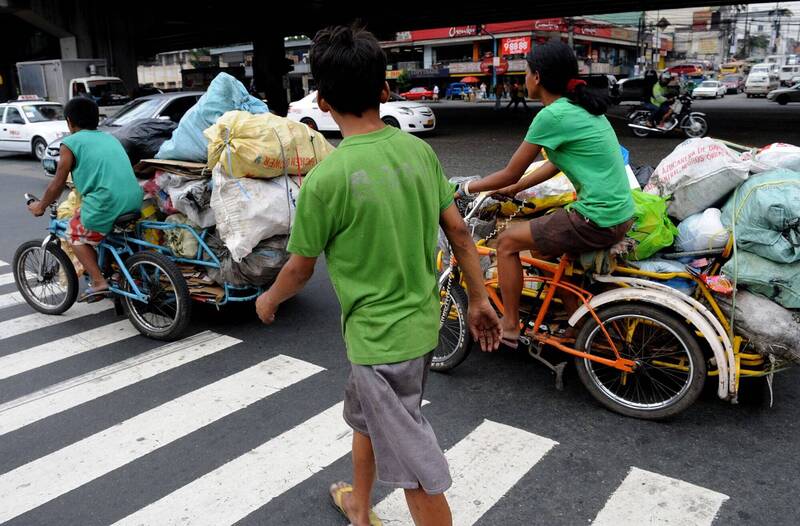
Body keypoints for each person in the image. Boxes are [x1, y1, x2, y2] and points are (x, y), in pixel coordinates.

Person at [255, 25, 502, 526]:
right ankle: (360, 509)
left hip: (379, 343)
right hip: (420, 328)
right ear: (385, 91)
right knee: (367, 422)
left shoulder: (325, 179)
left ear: (321, 102)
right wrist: (478, 298)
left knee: (415, 472)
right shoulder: (419, 153)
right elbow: (458, 234)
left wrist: (268, 300)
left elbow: (300, 270)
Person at [454, 40, 634, 349]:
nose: (522, 79)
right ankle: (577, 321)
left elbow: (511, 170)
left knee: (507, 243)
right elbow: (554, 164)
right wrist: (514, 189)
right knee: (542, 251)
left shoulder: (552, 116)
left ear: (537, 77)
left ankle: (509, 326)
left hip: (596, 218)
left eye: (524, 72)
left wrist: (466, 188)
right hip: (619, 214)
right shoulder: (582, 107)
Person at [27, 97, 143, 303]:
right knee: (102, 230)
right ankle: (114, 271)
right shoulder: (110, 138)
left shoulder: (70, 143)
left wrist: (40, 206)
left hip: (107, 203)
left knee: (74, 234)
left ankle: (99, 282)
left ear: (69, 121)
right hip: (134, 199)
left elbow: (58, 183)